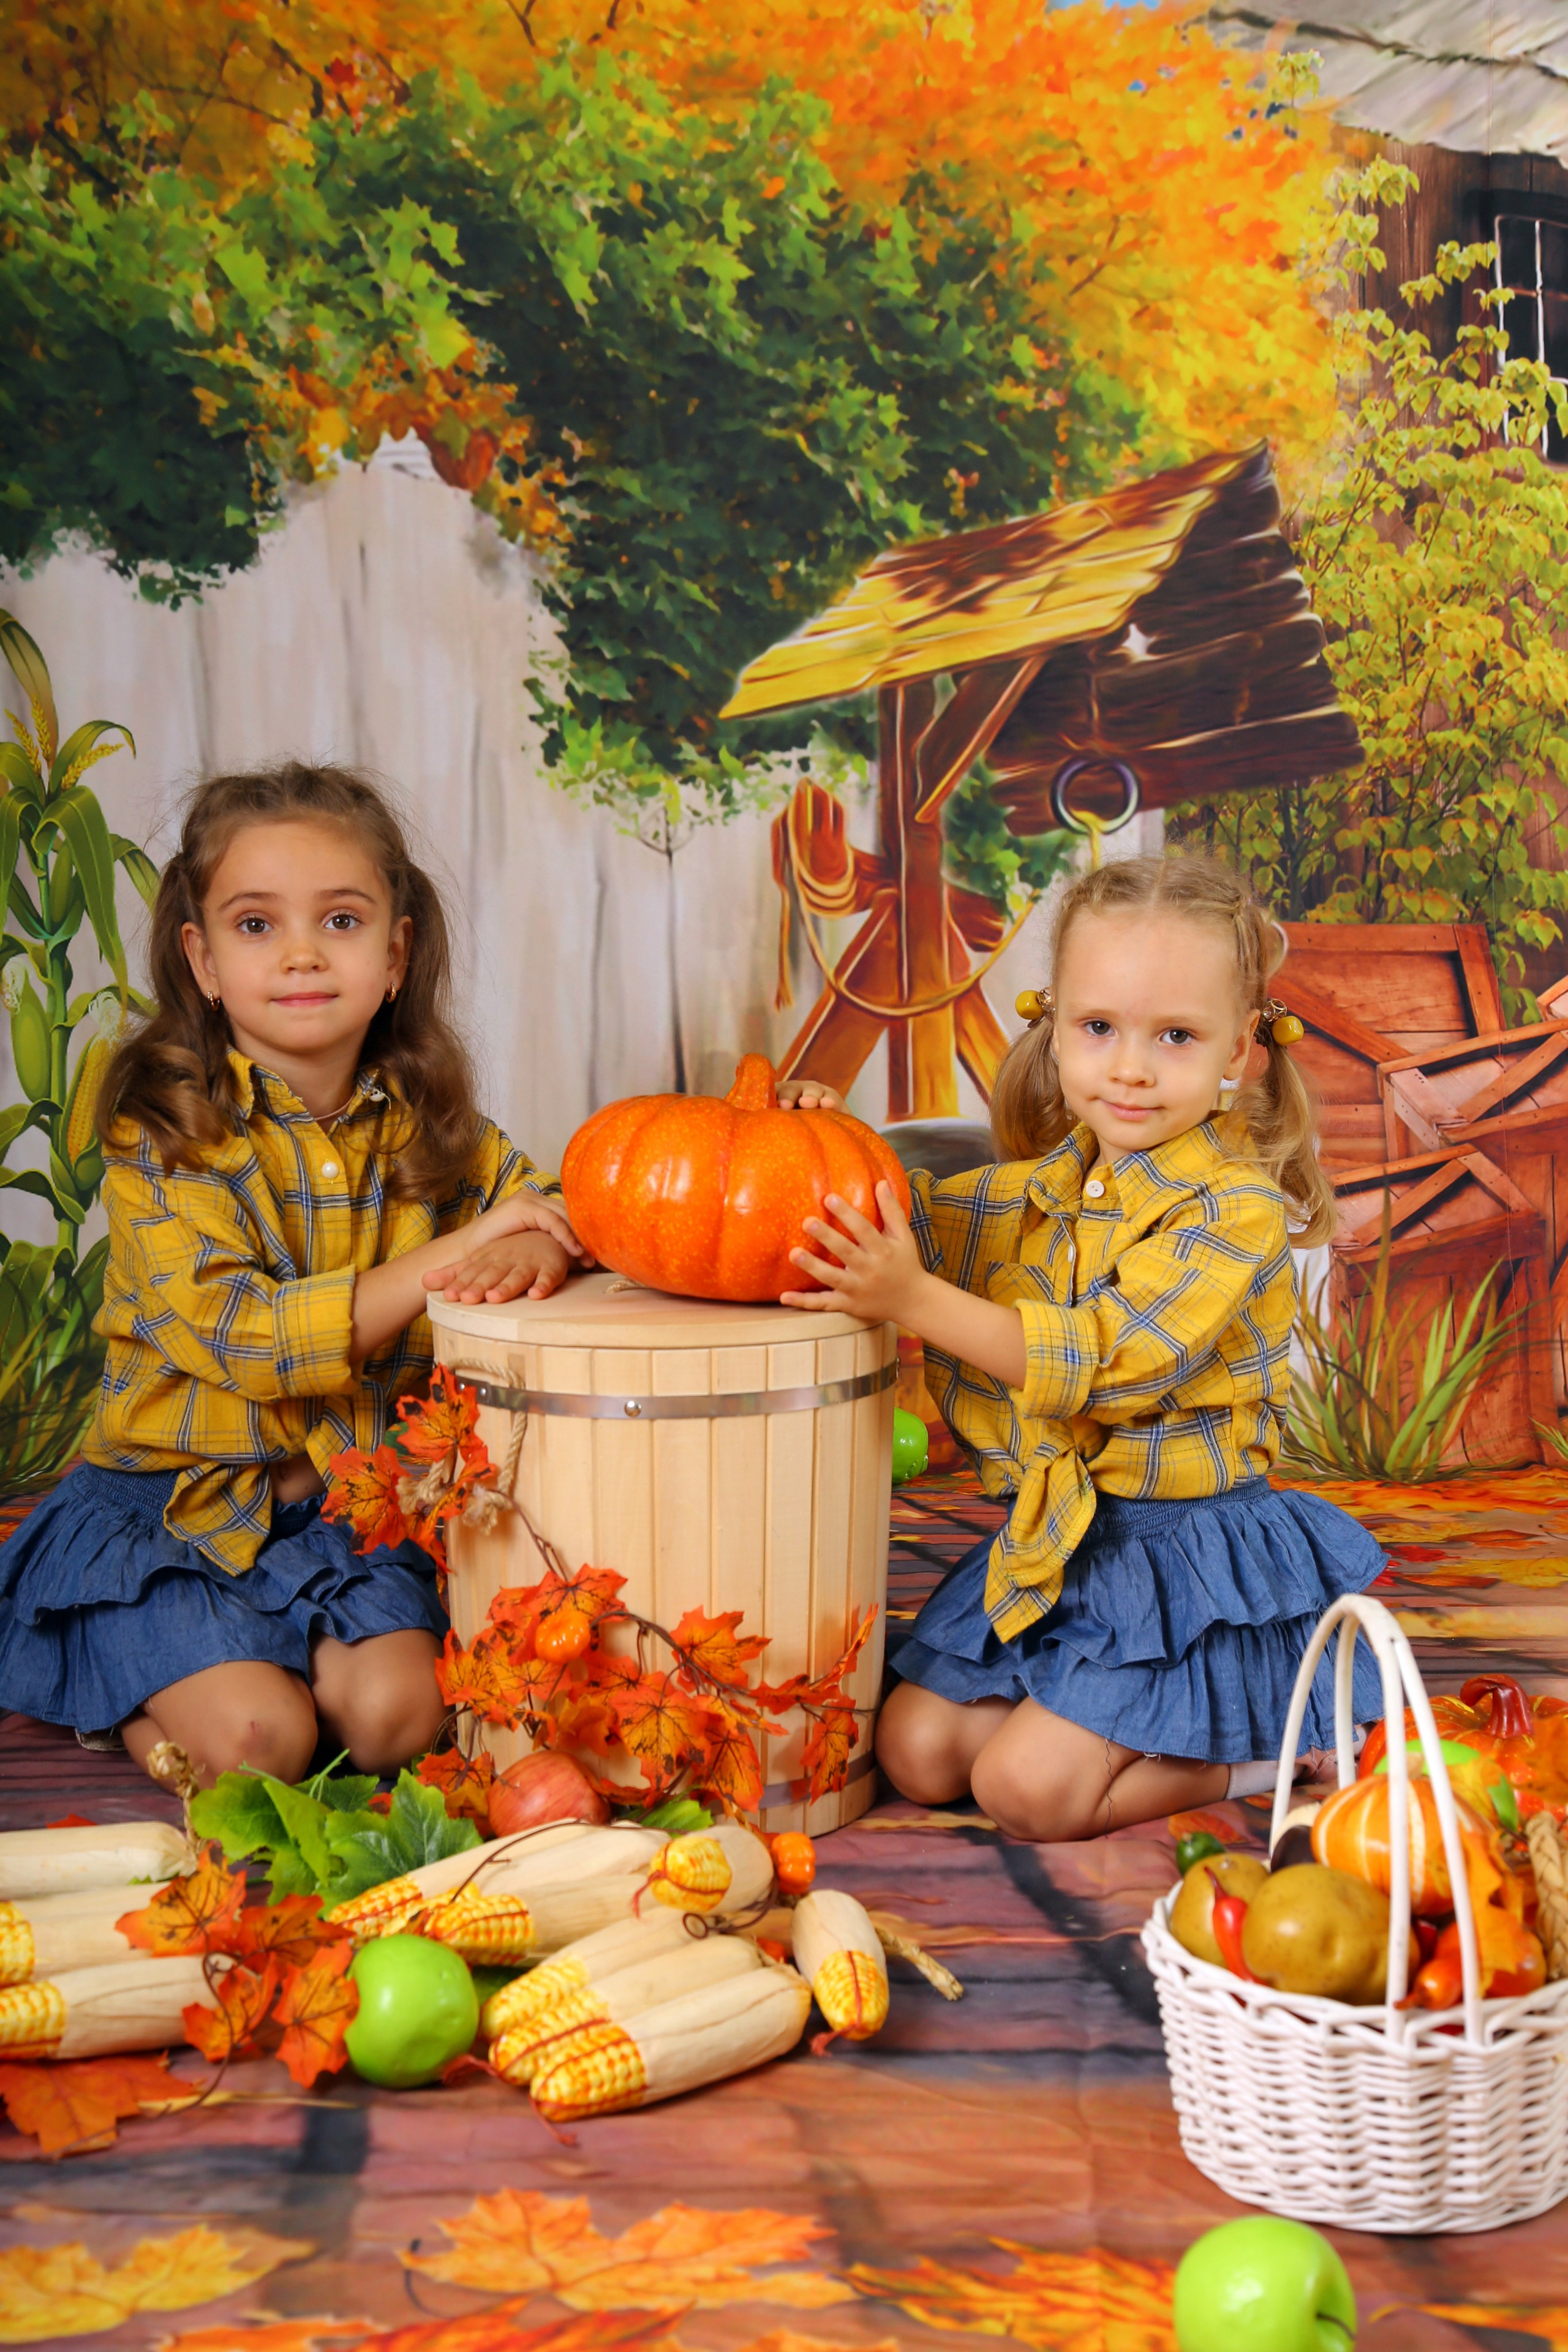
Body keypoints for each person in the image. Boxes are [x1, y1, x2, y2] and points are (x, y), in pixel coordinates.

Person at [0, 763, 587, 1789]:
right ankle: (138, 1679)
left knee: (399, 1720)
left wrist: (539, 1240)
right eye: (258, 925)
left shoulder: (432, 1126)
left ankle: (276, 1660)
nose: (305, 953)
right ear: (204, 961)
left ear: (397, 954)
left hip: (343, 1513)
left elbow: (560, 1210)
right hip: (173, 1512)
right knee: (259, 1744)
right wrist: (464, 1246)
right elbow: (254, 1341)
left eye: (345, 922)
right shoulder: (163, 1132)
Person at [780, 851, 1385, 1842]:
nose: (1132, 1068)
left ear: (1240, 1051)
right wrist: (816, 1137)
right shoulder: (1034, 1194)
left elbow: (1100, 1358)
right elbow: (907, 1218)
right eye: (1100, 1028)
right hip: (1065, 1547)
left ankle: (1266, 1756)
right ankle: (1103, 1721)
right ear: (1054, 1027)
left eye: (1176, 1036)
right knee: (918, 1754)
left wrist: (914, 1299)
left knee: (1027, 1794)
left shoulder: (1235, 1214)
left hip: (1183, 1559)